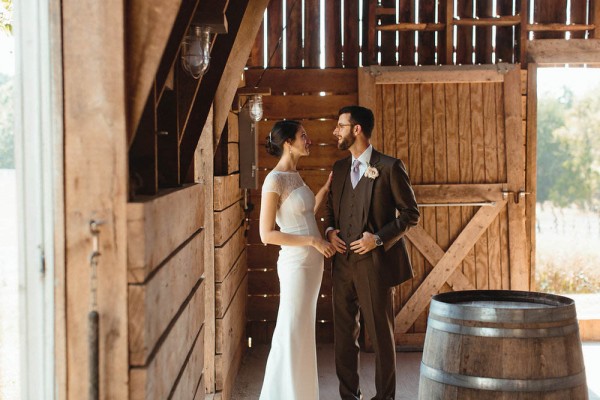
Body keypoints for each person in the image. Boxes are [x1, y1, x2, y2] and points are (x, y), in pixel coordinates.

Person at [324, 105, 420, 400]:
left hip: (374, 264)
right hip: (342, 264)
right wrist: (329, 231)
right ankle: (349, 396)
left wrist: (377, 239)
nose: (335, 131)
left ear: (357, 130)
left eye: (340, 126)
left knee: (381, 337)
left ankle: (385, 398)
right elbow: (330, 208)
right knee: (343, 338)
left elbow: (410, 214)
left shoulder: (390, 166)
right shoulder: (339, 168)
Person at [258, 120, 336, 400]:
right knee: (290, 329)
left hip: (312, 265)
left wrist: (324, 191)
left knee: (303, 331)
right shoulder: (274, 180)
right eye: (304, 135)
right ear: (288, 143)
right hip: (296, 265)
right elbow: (267, 234)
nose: (309, 139)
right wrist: (313, 241)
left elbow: (304, 216)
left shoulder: (296, 176)